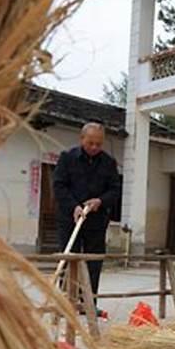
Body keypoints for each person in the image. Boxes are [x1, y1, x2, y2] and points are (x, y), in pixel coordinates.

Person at [52, 122, 121, 301]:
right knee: (69, 258)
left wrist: (100, 201)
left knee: (94, 261)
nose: (94, 147)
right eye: (90, 143)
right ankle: (68, 301)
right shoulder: (67, 158)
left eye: (99, 144)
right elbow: (59, 186)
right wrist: (73, 206)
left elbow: (115, 190)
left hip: (96, 220)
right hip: (70, 219)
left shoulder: (109, 162)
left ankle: (89, 301)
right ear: (82, 139)